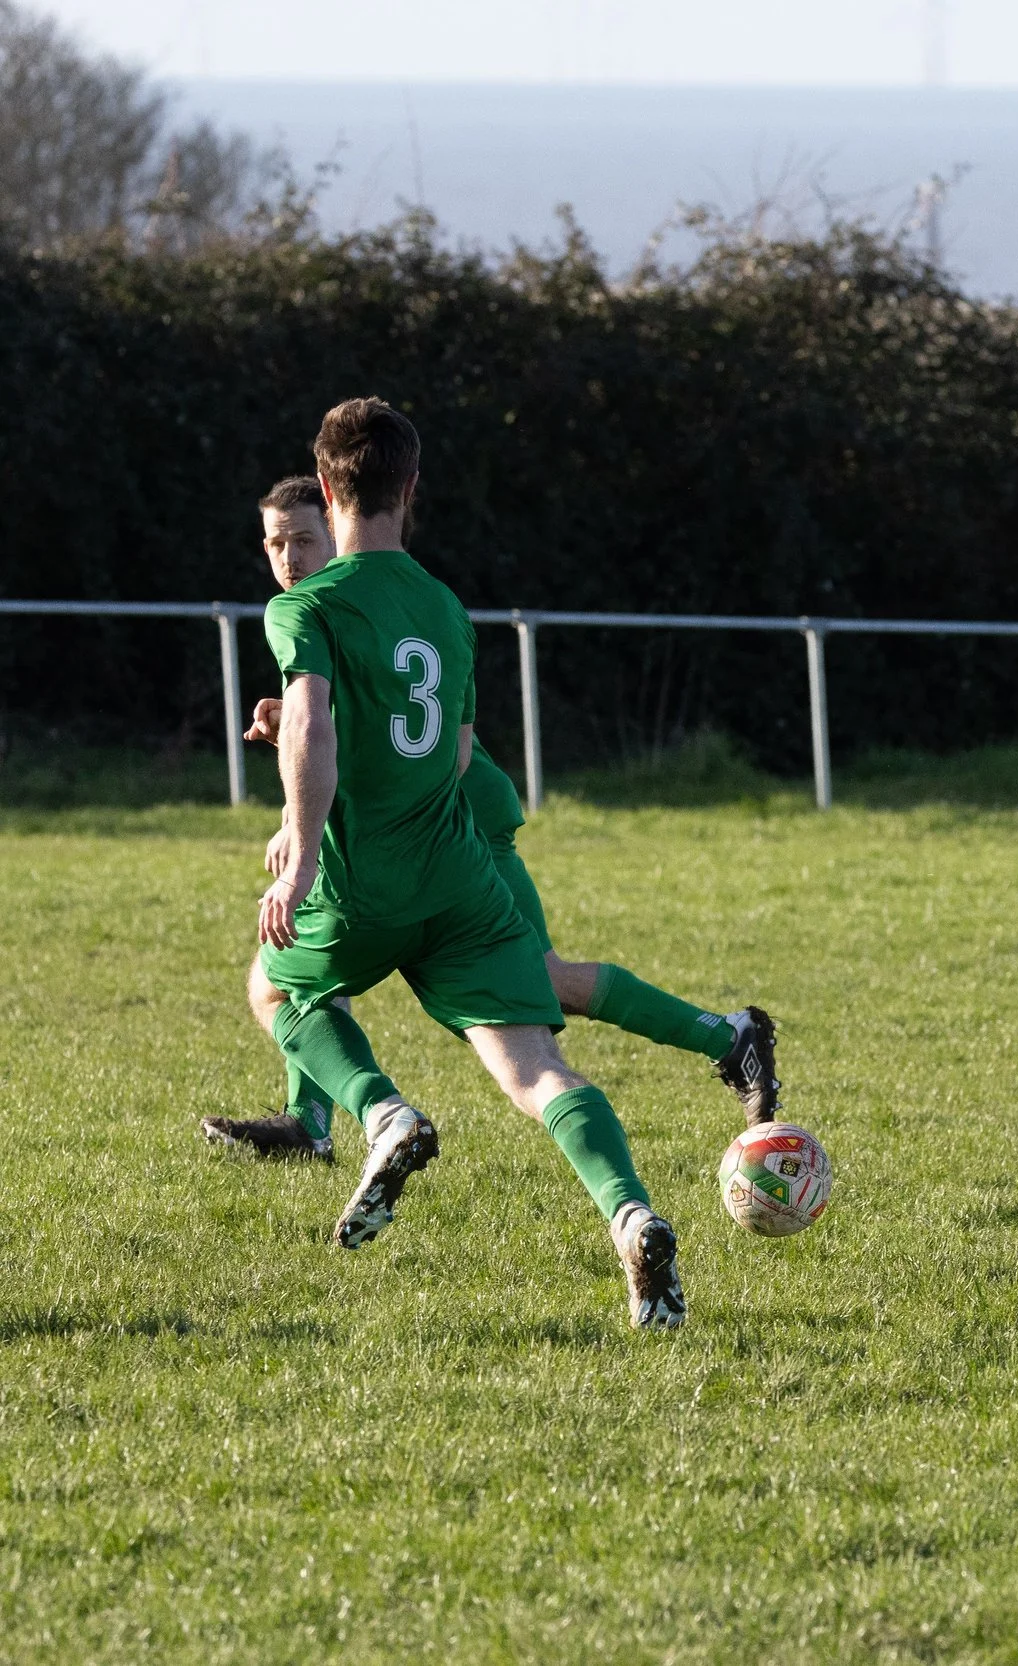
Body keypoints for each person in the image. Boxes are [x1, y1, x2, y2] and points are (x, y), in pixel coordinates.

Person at [248, 398, 684, 1328]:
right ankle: (631, 1215)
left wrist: (296, 852)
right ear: (411, 489)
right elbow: (450, 752)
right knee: (535, 1071)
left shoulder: (306, 604)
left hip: (366, 879)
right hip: (459, 876)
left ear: (328, 492)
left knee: (275, 990)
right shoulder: (446, 607)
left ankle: (381, 1115)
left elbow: (318, 724)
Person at [202, 476, 781, 1165]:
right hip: (423, 832)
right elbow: (335, 731)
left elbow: (380, 743)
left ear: (339, 529)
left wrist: (303, 825)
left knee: (547, 980)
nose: (290, 557)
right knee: (310, 962)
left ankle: (728, 1036)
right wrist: (299, 812)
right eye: (275, 543)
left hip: (462, 829)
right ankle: (310, 1120)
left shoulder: (358, 604)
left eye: (304, 538)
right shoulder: (350, 611)